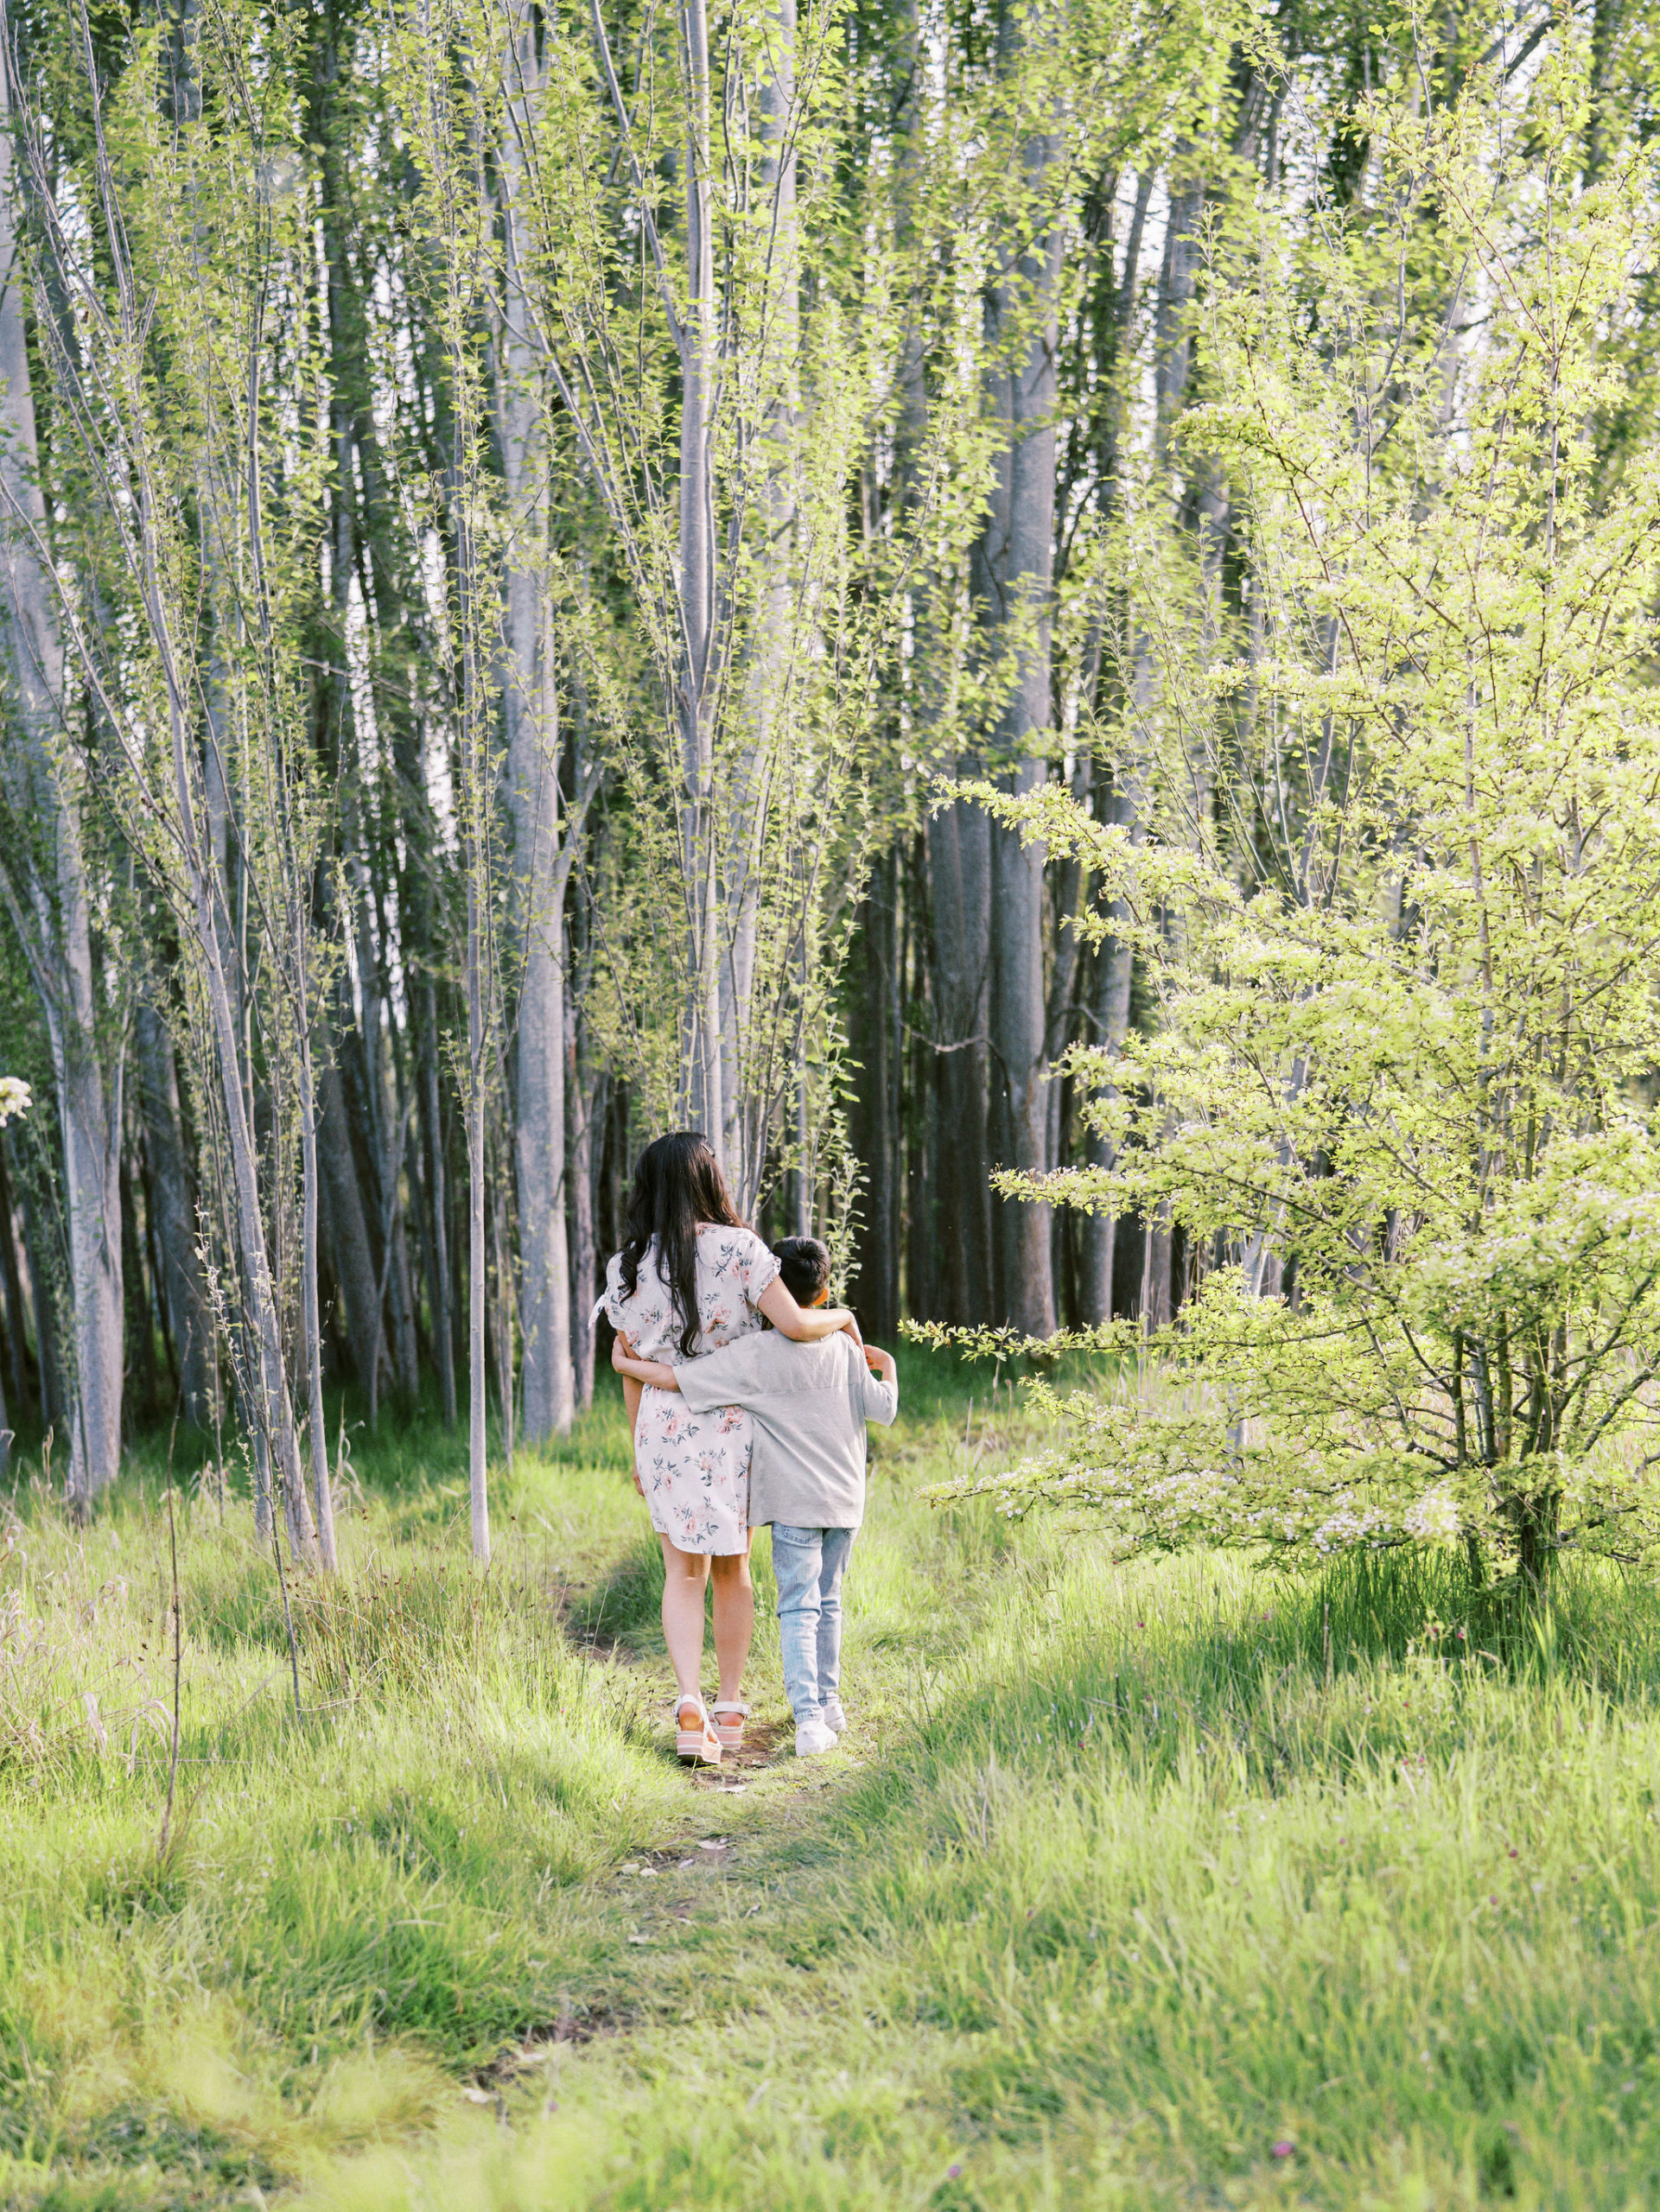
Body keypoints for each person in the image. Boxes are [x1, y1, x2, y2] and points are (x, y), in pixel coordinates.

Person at [599, 1133, 860, 1767]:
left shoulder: (626, 1266)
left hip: (662, 1426)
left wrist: (639, 1449)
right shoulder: (742, 1250)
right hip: (732, 1426)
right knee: (731, 1570)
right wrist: (845, 1318)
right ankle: (731, 1706)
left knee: (680, 1573)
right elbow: (796, 1326)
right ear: (708, 1180)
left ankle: (689, 1705)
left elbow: (630, 1366)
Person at [613, 1235, 898, 1758]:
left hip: (737, 1472)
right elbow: (880, 1407)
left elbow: (677, 1379)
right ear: (821, 1292)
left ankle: (753, 1710)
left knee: (747, 1592)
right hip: (808, 1483)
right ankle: (793, 1703)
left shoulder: (751, 1352)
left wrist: (629, 1369)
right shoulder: (835, 1342)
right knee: (799, 1591)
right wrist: (871, 1346)